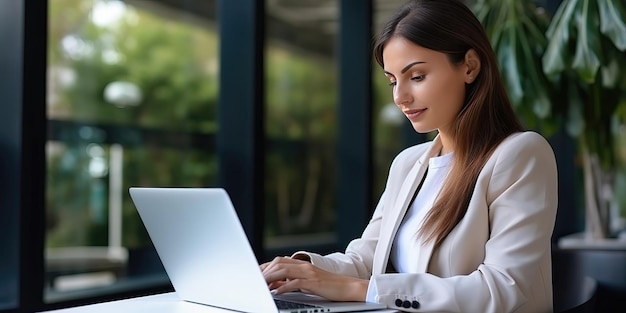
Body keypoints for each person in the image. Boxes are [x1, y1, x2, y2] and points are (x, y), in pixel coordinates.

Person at [261, 0, 558, 312]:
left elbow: (502, 287)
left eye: (416, 76)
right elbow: (366, 259)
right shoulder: (408, 163)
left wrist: (356, 288)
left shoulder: (520, 154)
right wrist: (299, 271)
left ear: (469, 66)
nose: (399, 97)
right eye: (392, 80)